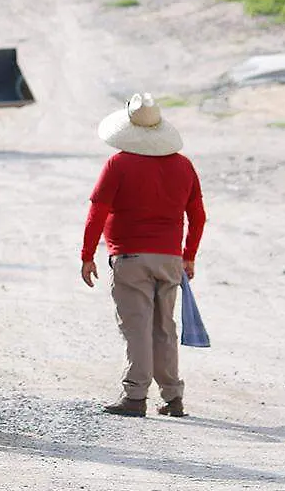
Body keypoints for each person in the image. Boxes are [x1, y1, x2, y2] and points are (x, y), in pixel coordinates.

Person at [80, 93, 207, 419]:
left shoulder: (118, 164)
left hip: (130, 258)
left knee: (137, 327)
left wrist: (87, 254)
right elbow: (198, 216)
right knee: (164, 328)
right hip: (169, 259)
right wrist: (188, 256)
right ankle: (173, 397)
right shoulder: (183, 165)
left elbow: (98, 211)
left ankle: (135, 396)